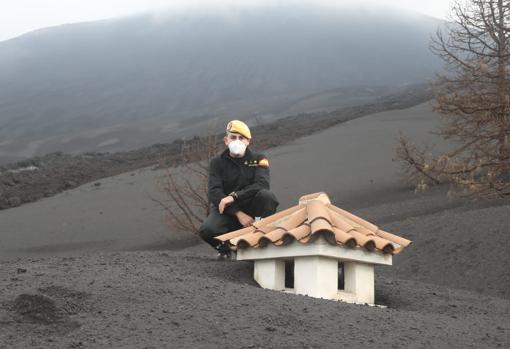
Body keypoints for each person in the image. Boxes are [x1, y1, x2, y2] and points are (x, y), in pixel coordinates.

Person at [198, 120, 279, 259]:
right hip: (229, 211)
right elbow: (214, 192)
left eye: (241, 138)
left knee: (267, 196)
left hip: (254, 210)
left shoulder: (259, 159)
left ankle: (260, 239)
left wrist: (234, 196)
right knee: (207, 230)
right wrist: (238, 213)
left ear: (248, 141)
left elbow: (262, 184)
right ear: (226, 140)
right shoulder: (217, 162)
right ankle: (226, 251)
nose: (237, 141)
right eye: (233, 137)